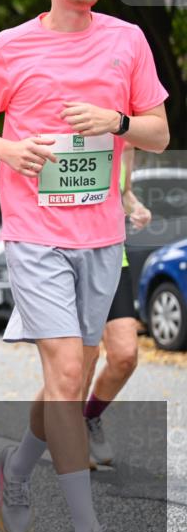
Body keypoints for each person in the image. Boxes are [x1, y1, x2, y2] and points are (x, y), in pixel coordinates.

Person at [0, 0, 169, 532]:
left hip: (101, 236)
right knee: (69, 372)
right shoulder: (11, 45)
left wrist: (119, 119)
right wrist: (10, 149)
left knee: (65, 387)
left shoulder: (128, 40)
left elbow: (156, 131)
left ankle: (16, 468)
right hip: (36, 234)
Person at [81, 146, 151, 467]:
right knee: (84, 356)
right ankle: (66, 433)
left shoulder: (125, 140)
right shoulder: (64, 124)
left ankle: (89, 416)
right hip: (68, 255)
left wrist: (136, 207)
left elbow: (123, 192)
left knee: (125, 355)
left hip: (112, 257)